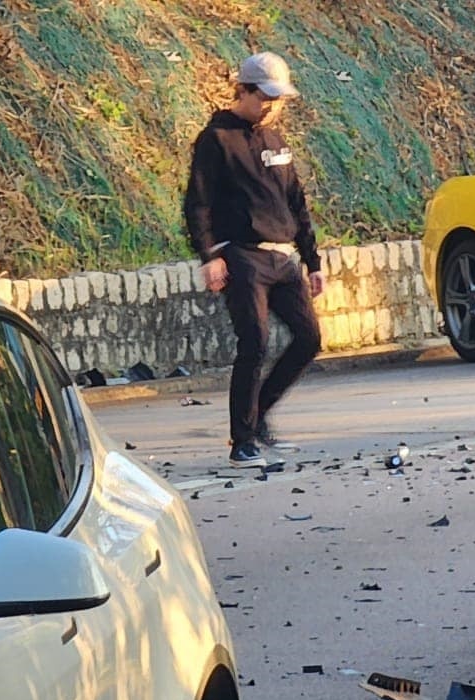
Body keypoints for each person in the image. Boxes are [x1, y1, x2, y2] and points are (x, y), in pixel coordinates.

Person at [182, 50, 326, 469]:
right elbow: (198, 203)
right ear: (242, 90)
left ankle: (258, 414)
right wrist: (210, 254)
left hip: (283, 258)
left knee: (309, 338)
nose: (270, 106)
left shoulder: (277, 143)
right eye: (263, 97)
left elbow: (296, 204)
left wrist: (312, 261)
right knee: (255, 342)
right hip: (242, 256)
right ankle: (241, 439)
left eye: (276, 99)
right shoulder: (217, 139)